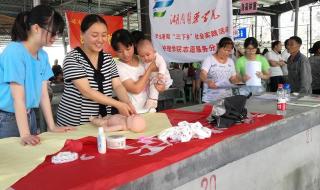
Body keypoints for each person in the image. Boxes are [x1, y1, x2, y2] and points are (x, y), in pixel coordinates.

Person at [0, 5, 74, 145]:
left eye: (58, 33)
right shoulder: (14, 51)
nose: (55, 37)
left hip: (29, 114)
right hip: (7, 118)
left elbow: (43, 93)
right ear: (36, 28)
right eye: (52, 32)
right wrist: (25, 134)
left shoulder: (43, 55)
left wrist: (52, 126)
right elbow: (18, 98)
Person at [57, 14, 135, 127]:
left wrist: (127, 103)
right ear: (82, 35)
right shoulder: (72, 58)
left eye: (104, 35)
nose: (100, 40)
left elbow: (118, 85)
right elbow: (87, 91)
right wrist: (118, 104)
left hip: (103, 121)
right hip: (75, 123)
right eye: (94, 35)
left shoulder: (108, 59)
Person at [111, 29, 166, 113]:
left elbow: (156, 79)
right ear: (115, 51)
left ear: (133, 45)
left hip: (151, 110)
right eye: (120, 51)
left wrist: (161, 87)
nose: (125, 54)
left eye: (128, 49)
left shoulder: (143, 58)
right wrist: (150, 69)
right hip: (133, 112)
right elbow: (136, 89)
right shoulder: (117, 66)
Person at [136, 39, 173, 112]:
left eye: (148, 55)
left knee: (153, 87)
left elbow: (162, 64)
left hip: (163, 77)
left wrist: (161, 73)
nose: (145, 58)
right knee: (152, 87)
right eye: (142, 56)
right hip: (154, 78)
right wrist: (143, 76)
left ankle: (153, 102)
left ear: (154, 51)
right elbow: (146, 71)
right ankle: (152, 105)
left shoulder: (157, 57)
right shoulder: (144, 62)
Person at [200, 37, 239, 102]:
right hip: (210, 99)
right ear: (218, 47)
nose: (226, 53)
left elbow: (233, 78)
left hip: (227, 99)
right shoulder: (209, 59)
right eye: (225, 50)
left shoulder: (231, 62)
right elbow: (202, 74)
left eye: (229, 51)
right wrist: (207, 81)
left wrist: (240, 79)